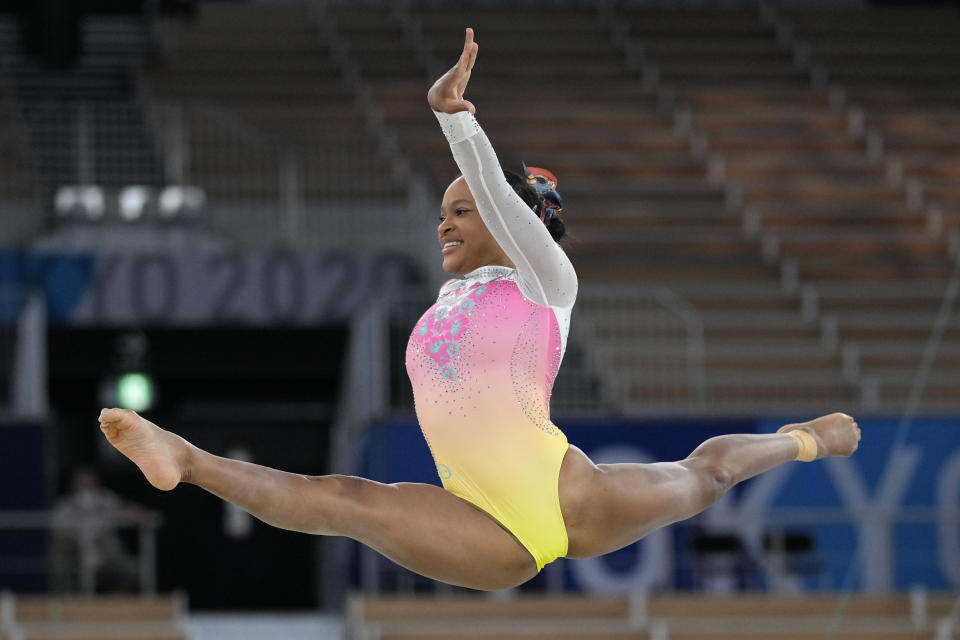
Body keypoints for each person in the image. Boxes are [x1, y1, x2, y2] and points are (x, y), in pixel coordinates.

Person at [98, 28, 861, 591]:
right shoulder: (445, 301)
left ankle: (804, 440)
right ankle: (186, 459)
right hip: (482, 526)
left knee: (709, 473)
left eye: (462, 210)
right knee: (343, 500)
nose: (446, 223)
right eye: (443, 212)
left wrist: (455, 121)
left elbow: (500, 194)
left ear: (513, 221)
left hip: (568, 496)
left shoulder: (545, 283)